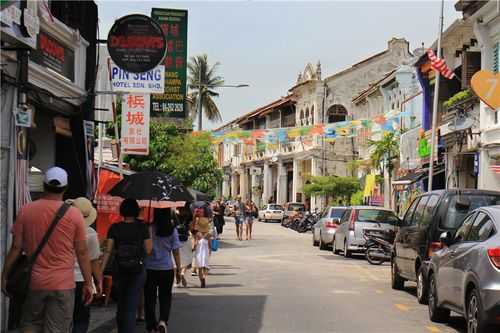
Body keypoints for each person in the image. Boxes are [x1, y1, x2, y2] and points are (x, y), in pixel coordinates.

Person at [1, 166, 94, 332]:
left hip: (35, 282)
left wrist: (4, 275)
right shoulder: (74, 215)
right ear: (65, 188)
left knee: (30, 323)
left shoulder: (26, 210)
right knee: (57, 329)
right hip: (63, 284)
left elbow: (16, 247)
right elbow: (81, 252)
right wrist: (88, 283)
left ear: (44, 185)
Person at [101, 198, 152, 333]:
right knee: (131, 304)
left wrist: (100, 270)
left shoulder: (114, 227)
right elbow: (148, 250)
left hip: (119, 269)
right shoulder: (143, 227)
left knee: (121, 303)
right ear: (136, 211)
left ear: (122, 211)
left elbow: (108, 250)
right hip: (137, 270)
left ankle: (121, 329)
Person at [144, 208, 182, 333]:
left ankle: (151, 325)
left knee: (150, 297)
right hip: (166, 268)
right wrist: (178, 269)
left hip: (149, 268)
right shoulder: (172, 230)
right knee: (165, 297)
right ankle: (163, 321)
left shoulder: (148, 228)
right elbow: (176, 252)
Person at [69, 197, 103, 333]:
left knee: (62, 318)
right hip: (82, 281)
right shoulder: (90, 233)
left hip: (63, 279)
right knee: (81, 318)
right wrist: (98, 282)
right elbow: (94, 262)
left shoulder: (62, 230)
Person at [194, 218, 212, 288]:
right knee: (205, 267)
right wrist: (210, 252)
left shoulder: (197, 234)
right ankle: (204, 277)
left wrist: (193, 249)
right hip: (206, 252)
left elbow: (195, 244)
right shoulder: (208, 235)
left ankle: (201, 280)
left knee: (199, 268)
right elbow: (210, 246)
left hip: (198, 253)